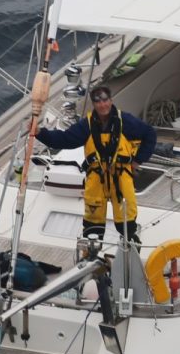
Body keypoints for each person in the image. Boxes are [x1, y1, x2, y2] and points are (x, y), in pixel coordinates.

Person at [32, 85, 157, 243]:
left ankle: (130, 246)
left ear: (111, 101)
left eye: (105, 100)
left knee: (127, 219)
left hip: (121, 177)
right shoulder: (86, 125)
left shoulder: (126, 121)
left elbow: (149, 134)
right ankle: (92, 253)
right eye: (98, 101)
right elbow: (64, 140)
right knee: (93, 223)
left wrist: (138, 160)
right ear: (94, 104)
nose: (102, 105)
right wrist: (40, 133)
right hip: (96, 179)